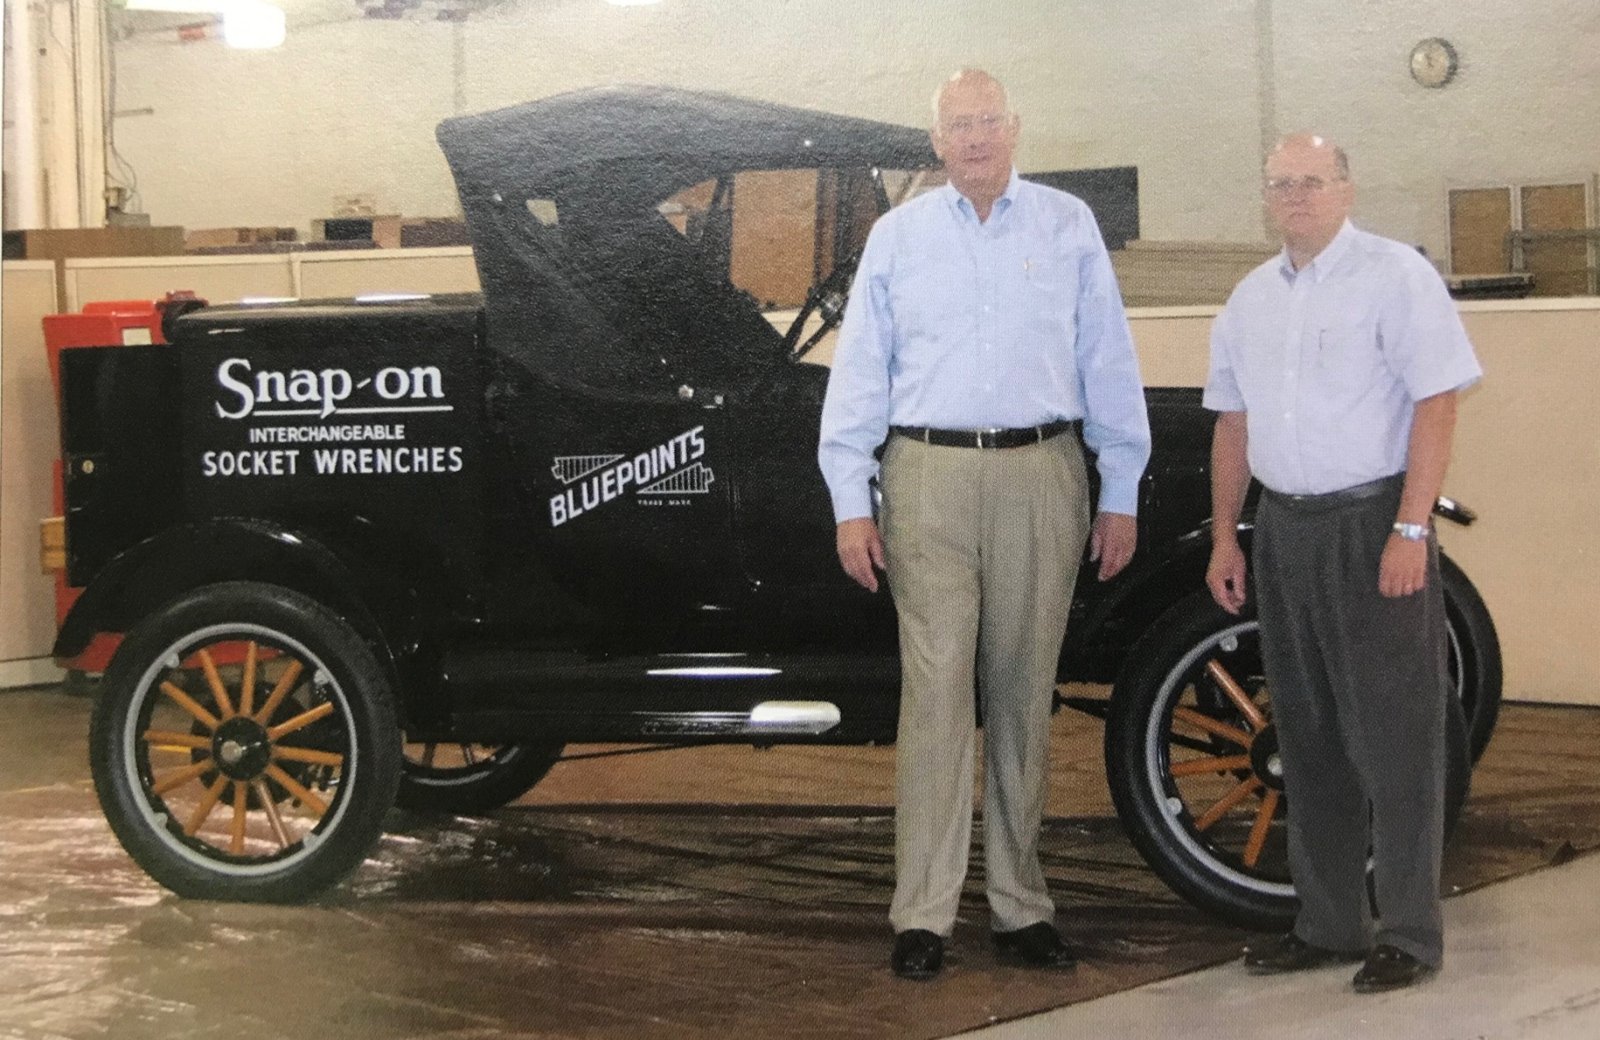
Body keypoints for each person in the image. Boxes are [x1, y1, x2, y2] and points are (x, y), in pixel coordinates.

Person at [818, 69, 1150, 980]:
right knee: (934, 695)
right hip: (925, 476)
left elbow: (1107, 358)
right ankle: (922, 915)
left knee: (1022, 690)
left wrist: (1120, 485)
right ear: (936, 142)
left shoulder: (1067, 226)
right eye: (958, 125)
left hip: (1043, 473)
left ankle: (1019, 906)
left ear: (1015, 129)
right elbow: (861, 371)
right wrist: (851, 499)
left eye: (988, 122)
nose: (974, 138)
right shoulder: (898, 237)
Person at [1204, 133, 1482, 993]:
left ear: (1347, 189)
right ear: (1266, 197)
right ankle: (1327, 924)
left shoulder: (1396, 277)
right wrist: (1226, 537)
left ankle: (1409, 933)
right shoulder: (1248, 299)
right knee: (1308, 736)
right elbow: (1233, 425)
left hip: (1373, 526)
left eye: (1312, 181)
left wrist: (1410, 530)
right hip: (1284, 530)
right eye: (1280, 183)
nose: (1295, 196)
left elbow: (1437, 402)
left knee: (1396, 738)